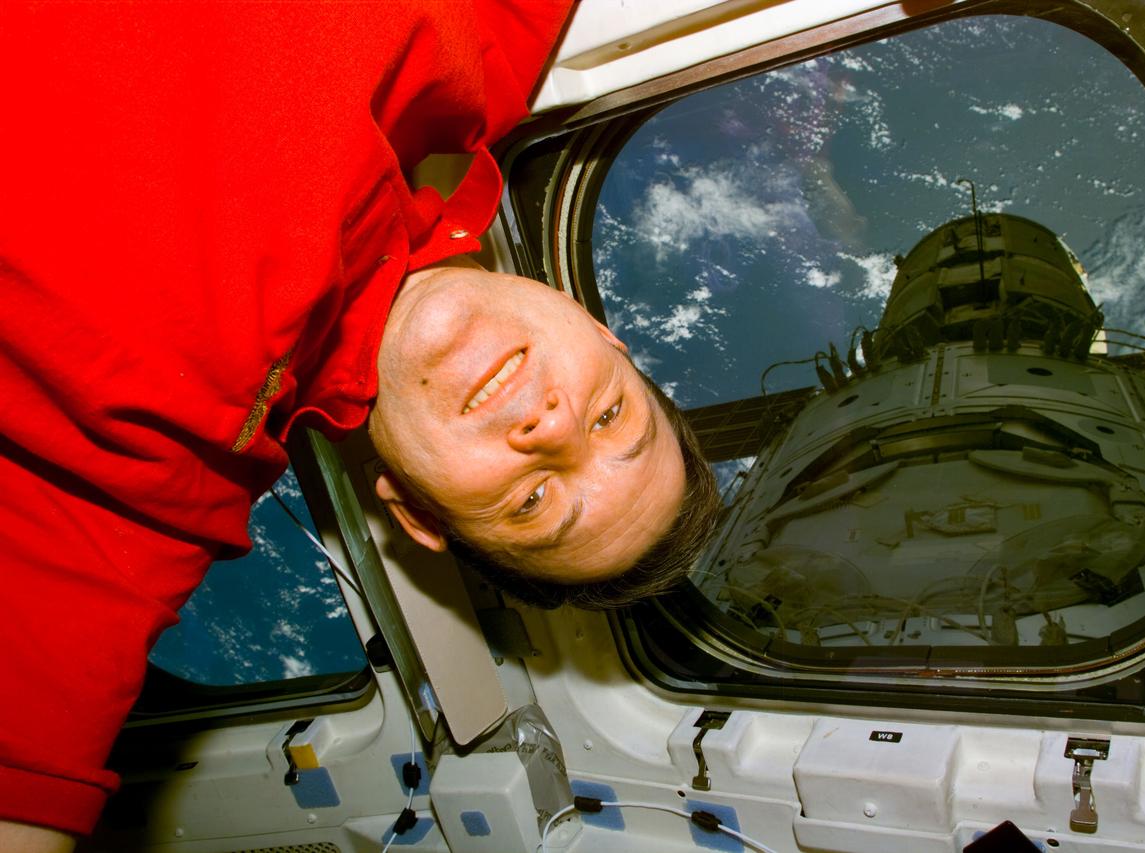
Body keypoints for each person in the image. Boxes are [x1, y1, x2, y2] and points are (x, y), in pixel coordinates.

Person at [0, 3, 719, 848]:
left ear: (416, 514)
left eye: (533, 499)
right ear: (602, 333)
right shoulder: (479, 59)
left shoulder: (157, 479)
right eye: (609, 414)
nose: (553, 430)